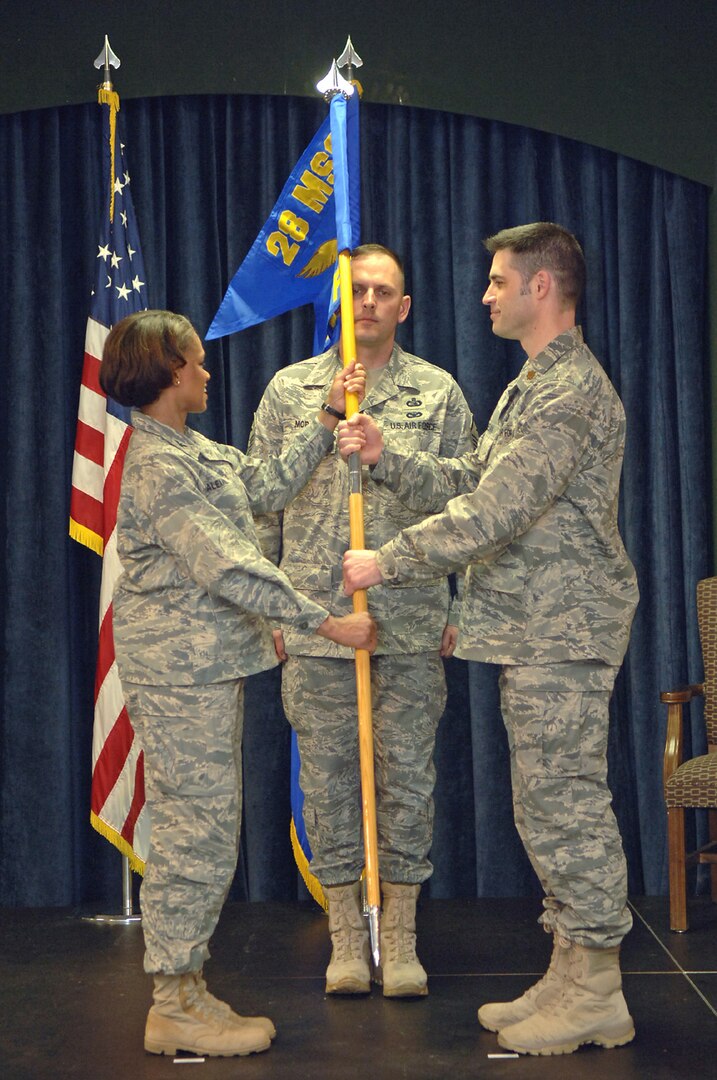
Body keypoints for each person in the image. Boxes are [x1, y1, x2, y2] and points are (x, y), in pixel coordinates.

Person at [340, 223, 639, 1056]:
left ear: (541, 287)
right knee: (542, 806)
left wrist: (386, 561)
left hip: (562, 628)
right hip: (534, 630)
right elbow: (471, 477)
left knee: (565, 807)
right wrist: (388, 458)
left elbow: (494, 511)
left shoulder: (569, 393)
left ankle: (599, 990)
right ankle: (570, 970)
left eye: (498, 281)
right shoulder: (531, 386)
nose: (485, 296)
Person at [99, 310, 376, 1059]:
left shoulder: (192, 450)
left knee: (208, 828)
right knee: (196, 832)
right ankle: (173, 1001)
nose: (206, 371)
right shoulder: (157, 466)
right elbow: (226, 563)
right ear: (168, 372)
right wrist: (325, 622)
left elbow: (265, 484)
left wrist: (326, 418)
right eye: (195, 361)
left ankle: (186, 988)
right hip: (178, 674)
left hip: (206, 668)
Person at [247, 244, 476, 998]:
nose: (369, 302)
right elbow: (260, 506)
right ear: (339, 303)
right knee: (328, 787)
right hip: (317, 624)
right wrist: (271, 611)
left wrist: (461, 607)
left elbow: (472, 500)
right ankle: (347, 939)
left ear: (403, 307)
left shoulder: (435, 392)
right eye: (357, 290)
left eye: (383, 291)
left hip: (409, 619)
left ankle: (399, 940)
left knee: (407, 783)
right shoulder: (290, 390)